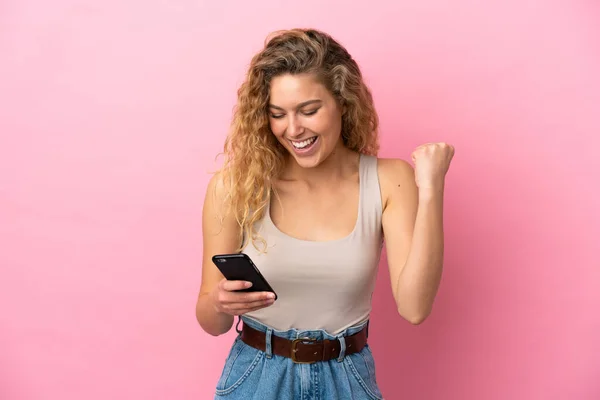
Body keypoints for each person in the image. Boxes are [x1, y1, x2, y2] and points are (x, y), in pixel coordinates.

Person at [196, 28, 454, 399]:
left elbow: (414, 307)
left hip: (346, 376)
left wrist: (431, 189)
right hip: (257, 376)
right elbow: (211, 321)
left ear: (343, 102)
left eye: (309, 110)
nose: (293, 129)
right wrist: (220, 302)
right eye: (277, 114)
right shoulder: (235, 187)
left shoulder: (389, 180)